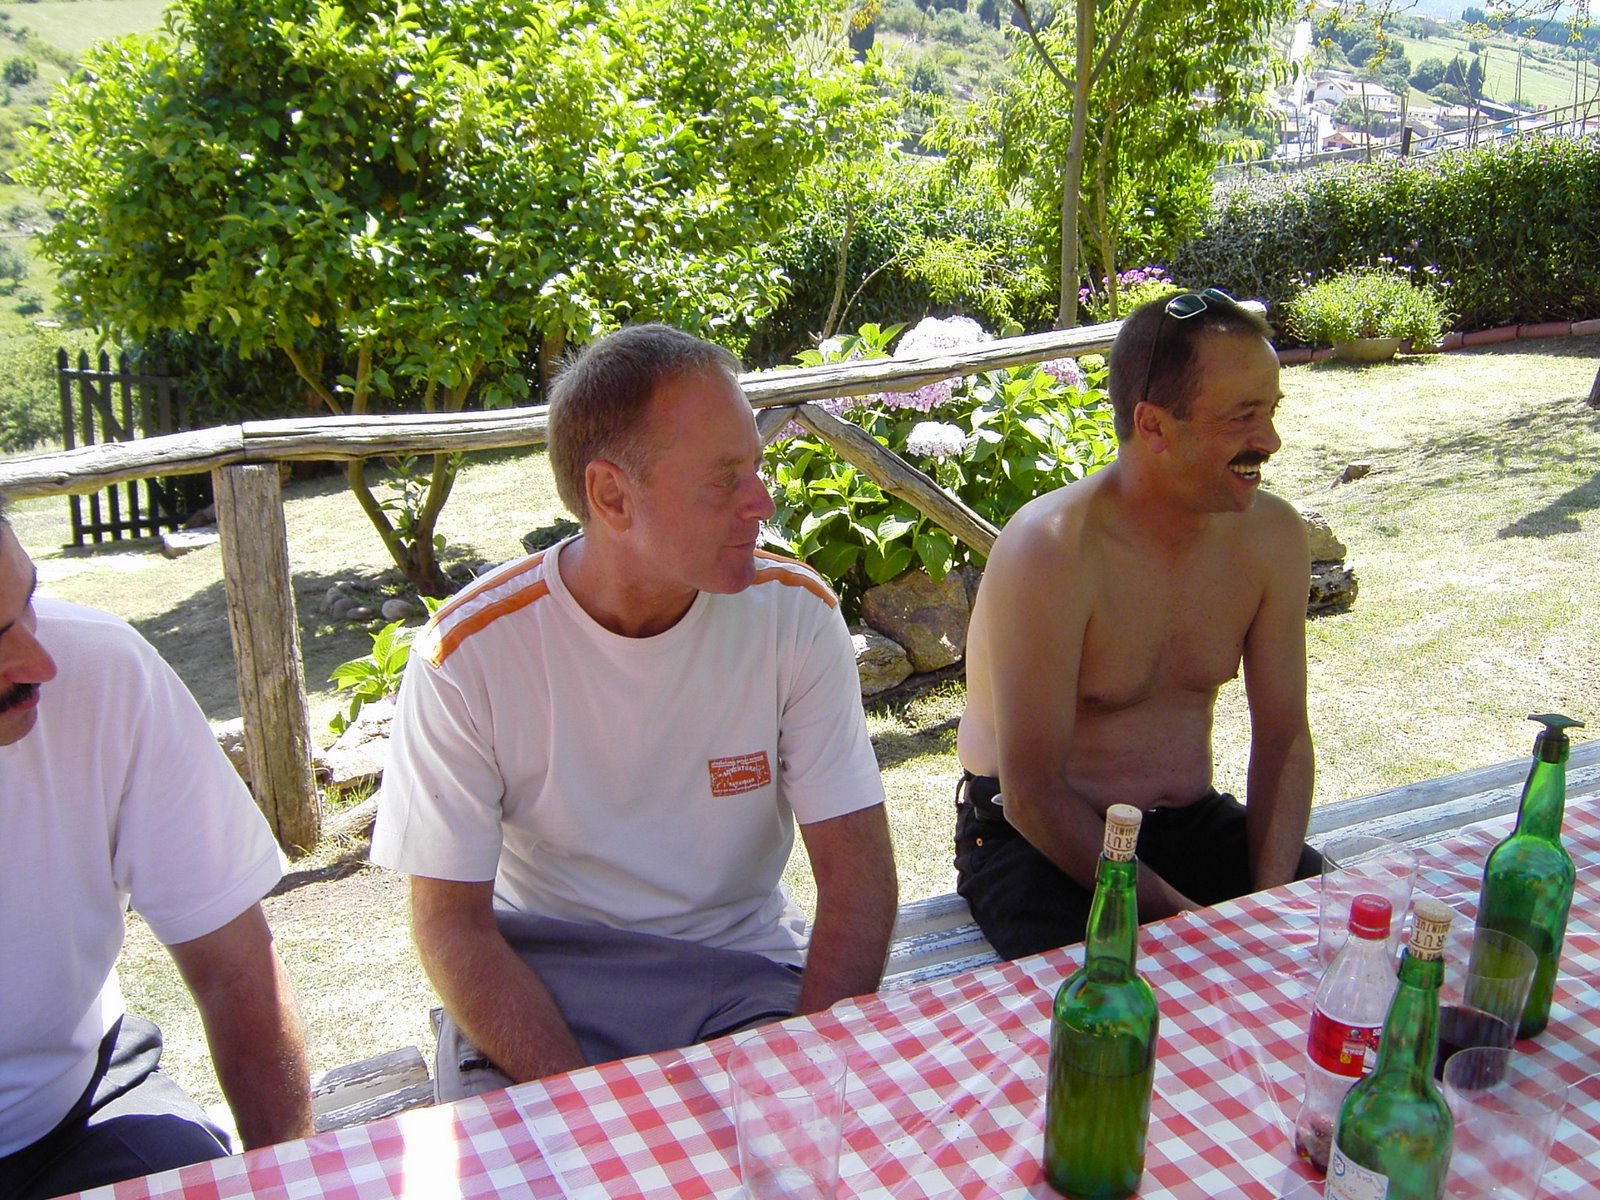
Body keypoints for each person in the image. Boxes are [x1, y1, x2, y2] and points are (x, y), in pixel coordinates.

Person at [372, 323, 897, 1094]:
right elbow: (451, 927)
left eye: (756, 467)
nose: (762, 501)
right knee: (535, 1159)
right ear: (612, 496)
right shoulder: (469, 655)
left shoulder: (794, 616)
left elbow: (858, 878)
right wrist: (584, 1102)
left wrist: (805, 1068)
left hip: (739, 976)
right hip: (541, 987)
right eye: (724, 480)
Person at [955, 288, 1322, 960]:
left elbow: (1284, 738)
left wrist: (1271, 904)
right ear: (1153, 426)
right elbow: (1032, 796)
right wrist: (1192, 927)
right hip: (1040, 841)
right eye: (1243, 417)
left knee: (1330, 945)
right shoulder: (1053, 549)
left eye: (1272, 411)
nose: (1269, 441)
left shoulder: (1272, 538)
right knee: (1123, 1000)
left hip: (1188, 825)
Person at [0, 497, 313, 1199]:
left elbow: (235, 966)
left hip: (77, 1114)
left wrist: (286, 1180)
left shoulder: (104, 672)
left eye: (28, 601)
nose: (40, 664)